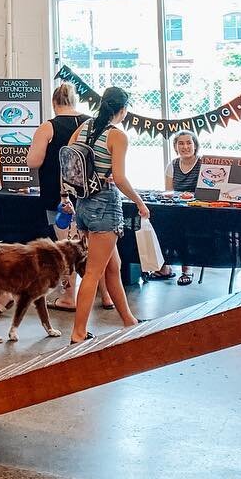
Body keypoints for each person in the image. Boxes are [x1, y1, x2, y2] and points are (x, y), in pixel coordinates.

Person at [67, 86, 150, 339]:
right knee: (94, 273)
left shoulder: (84, 127)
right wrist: (140, 202)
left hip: (83, 202)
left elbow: (69, 159)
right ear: (123, 110)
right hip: (104, 203)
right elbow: (120, 178)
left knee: (113, 266)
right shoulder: (117, 136)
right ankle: (78, 332)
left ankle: (128, 319)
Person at [27, 82, 90, 310]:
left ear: (54, 103)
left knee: (67, 247)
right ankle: (107, 295)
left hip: (58, 194)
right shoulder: (90, 124)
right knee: (92, 246)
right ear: (75, 102)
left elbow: (33, 161)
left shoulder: (48, 127)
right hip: (89, 194)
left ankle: (69, 297)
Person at [163, 131, 201, 285]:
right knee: (160, 221)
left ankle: (187, 269)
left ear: (195, 145)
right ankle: (164, 267)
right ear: (176, 147)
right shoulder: (172, 165)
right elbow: (168, 192)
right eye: (181, 143)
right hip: (178, 208)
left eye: (189, 143)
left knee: (182, 226)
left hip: (198, 209)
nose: (185, 146)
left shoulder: (203, 164)